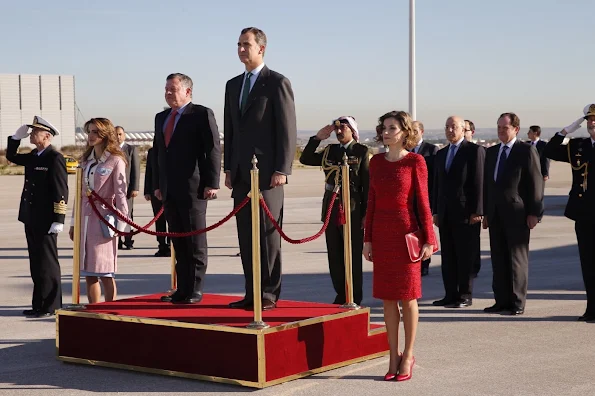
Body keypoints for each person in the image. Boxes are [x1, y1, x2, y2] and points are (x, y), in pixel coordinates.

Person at [224, 27, 297, 311]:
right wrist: (229, 168)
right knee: (246, 236)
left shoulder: (276, 82)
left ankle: (268, 292)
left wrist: (282, 168)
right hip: (242, 172)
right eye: (239, 44)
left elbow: (287, 129)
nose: (242, 49)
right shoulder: (232, 85)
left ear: (261, 49)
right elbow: (231, 129)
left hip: (268, 174)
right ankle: (251, 291)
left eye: (247, 44)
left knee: (268, 235)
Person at [363, 111, 436, 381]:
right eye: (383, 127)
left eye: (392, 128)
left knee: (408, 297)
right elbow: (371, 201)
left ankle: (408, 354)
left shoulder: (415, 162)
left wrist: (429, 239)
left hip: (406, 236)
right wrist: (367, 239)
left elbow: (423, 203)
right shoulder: (377, 162)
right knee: (387, 298)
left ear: (405, 132)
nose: (386, 132)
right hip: (381, 235)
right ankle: (392, 356)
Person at [153, 73, 221, 304]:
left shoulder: (201, 114)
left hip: (194, 188)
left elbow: (212, 149)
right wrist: (157, 185)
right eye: (166, 90)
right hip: (169, 189)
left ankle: (195, 289)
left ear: (188, 92)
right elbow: (158, 154)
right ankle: (181, 288)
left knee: (194, 241)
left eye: (173, 89)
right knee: (178, 241)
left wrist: (212, 183)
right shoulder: (161, 117)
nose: (168, 94)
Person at [299, 116, 370, 305]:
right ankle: (340, 294)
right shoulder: (330, 150)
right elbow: (305, 158)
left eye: (343, 129)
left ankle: (354, 295)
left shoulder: (361, 151)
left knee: (352, 254)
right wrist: (317, 138)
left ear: (352, 130)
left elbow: (367, 185)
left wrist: (366, 214)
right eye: (337, 130)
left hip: (352, 208)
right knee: (335, 254)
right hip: (331, 207)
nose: (339, 132)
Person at [7, 116, 68, 317]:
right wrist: (15, 138)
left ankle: (51, 305)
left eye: (35, 132)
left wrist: (58, 219)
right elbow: (12, 156)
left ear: (47, 136)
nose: (31, 135)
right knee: (36, 262)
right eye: (31, 132)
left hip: (47, 219)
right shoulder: (35, 155)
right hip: (31, 217)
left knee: (47, 263)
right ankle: (39, 304)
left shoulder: (54, 158)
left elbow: (61, 190)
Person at [482, 113, 543, 315]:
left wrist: (535, 212)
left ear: (516, 129)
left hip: (518, 214)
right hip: (496, 213)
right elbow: (488, 186)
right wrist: (486, 213)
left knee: (516, 259)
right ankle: (501, 301)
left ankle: (517, 302)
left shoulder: (526, 151)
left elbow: (536, 183)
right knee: (498, 258)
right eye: (498, 127)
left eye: (505, 128)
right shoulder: (491, 153)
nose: (501, 131)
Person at [543, 104, 595, 322]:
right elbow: (548, 151)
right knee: (588, 263)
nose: (592, 123)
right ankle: (592, 308)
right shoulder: (578, 146)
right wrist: (565, 131)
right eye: (589, 119)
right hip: (584, 215)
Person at [68, 118, 128, 303]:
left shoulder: (115, 160)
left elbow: (120, 195)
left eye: (95, 132)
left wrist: (121, 225)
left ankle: (110, 309)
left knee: (104, 270)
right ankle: (93, 308)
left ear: (105, 135)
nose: (91, 136)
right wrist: (73, 223)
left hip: (103, 220)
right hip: (84, 219)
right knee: (88, 271)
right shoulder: (86, 160)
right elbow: (79, 195)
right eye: (89, 132)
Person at [432, 116, 485, 308]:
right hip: (445, 213)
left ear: (463, 129)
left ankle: (465, 295)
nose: (449, 130)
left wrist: (478, 210)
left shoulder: (474, 151)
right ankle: (450, 294)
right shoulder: (441, 153)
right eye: (447, 127)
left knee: (465, 256)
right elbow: (437, 185)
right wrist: (436, 211)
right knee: (448, 257)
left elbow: (479, 182)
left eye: (453, 127)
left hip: (466, 213)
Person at [410, 121, 438, 276]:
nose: (412, 134)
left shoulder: (431, 149)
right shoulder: (406, 149)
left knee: (425, 232)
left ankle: (425, 263)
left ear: (422, 131)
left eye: (415, 131)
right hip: (409, 199)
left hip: (425, 198)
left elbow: (434, 177)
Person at [115, 126, 140, 250]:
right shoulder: (109, 149)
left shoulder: (130, 149)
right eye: (115, 134)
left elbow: (135, 169)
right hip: (114, 190)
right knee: (115, 214)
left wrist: (135, 187)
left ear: (124, 135)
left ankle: (128, 240)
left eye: (120, 134)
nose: (118, 137)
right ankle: (117, 240)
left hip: (127, 189)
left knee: (127, 214)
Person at [144, 146, 170, 257]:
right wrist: (147, 191)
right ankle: (162, 245)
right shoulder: (152, 151)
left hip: (172, 191)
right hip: (156, 191)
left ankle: (171, 244)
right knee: (159, 220)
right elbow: (149, 171)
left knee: (172, 220)